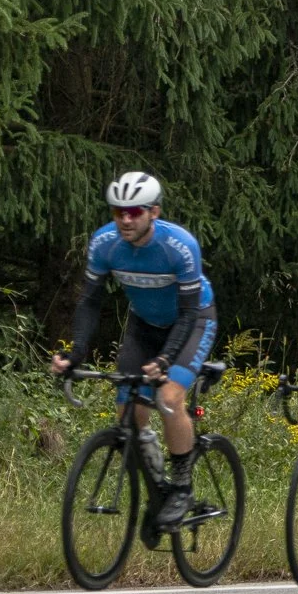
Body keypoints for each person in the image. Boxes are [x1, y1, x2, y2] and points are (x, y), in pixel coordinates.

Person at [51, 173, 217, 543]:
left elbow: (189, 313)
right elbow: (90, 300)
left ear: (153, 212)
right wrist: (76, 352)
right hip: (144, 325)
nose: (126, 220)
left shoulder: (179, 245)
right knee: (128, 413)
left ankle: (182, 487)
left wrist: (166, 360)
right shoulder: (105, 243)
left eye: (135, 212)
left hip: (192, 323)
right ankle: (157, 492)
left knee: (169, 398)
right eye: (119, 212)